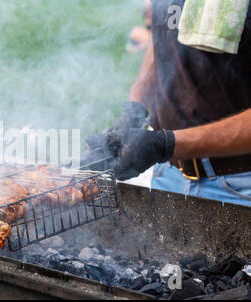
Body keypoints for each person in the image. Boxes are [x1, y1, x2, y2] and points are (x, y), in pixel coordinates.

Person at [84, 0, 251, 207]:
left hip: (240, 186)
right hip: (168, 175)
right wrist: (134, 109)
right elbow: (163, 37)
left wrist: (166, 144)